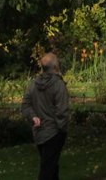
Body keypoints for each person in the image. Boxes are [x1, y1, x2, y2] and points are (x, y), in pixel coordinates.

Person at [22, 52, 70, 180]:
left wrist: (33, 117)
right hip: (54, 132)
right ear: (55, 67)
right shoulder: (58, 85)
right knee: (47, 170)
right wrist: (62, 129)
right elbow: (62, 110)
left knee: (52, 167)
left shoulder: (33, 84)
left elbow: (25, 105)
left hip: (39, 133)